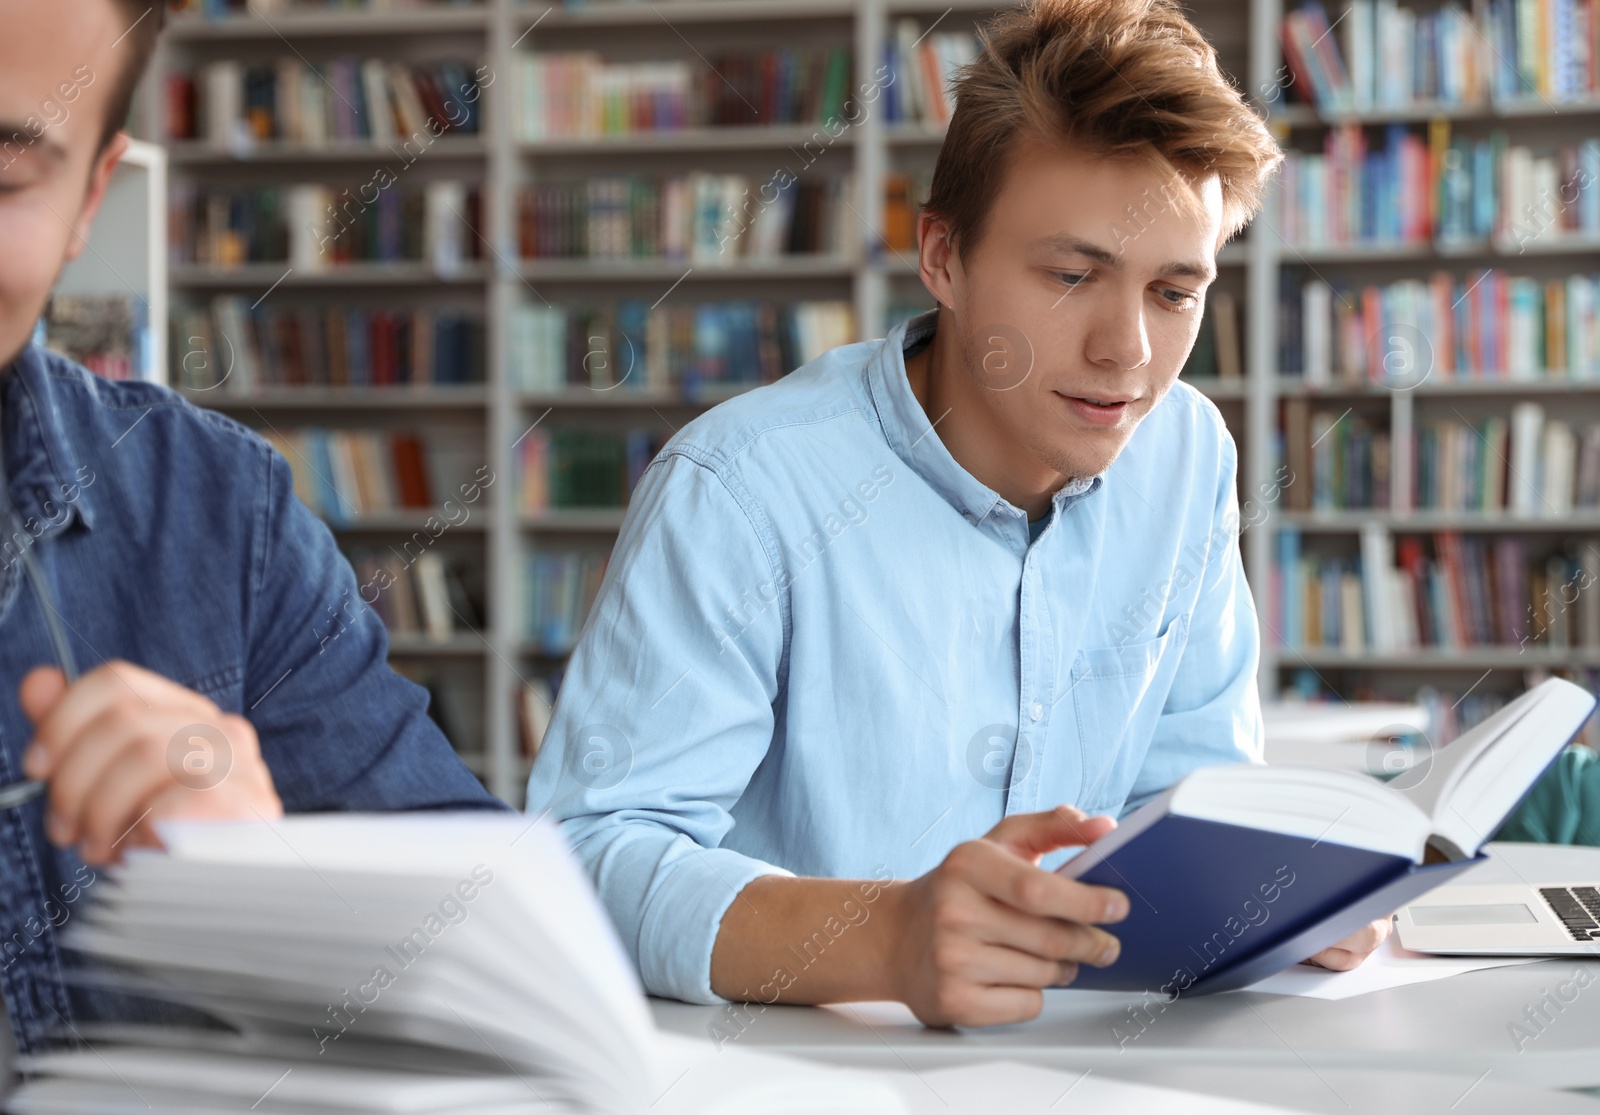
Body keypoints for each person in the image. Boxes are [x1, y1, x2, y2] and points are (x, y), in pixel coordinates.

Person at [528, 0, 1390, 1029]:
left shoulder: (1187, 453)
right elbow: (584, 856)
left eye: (1173, 292)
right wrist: (884, 938)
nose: (1127, 352)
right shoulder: (742, 487)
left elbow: (1189, 794)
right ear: (942, 258)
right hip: (789, 1079)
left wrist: (1277, 892)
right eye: (1072, 275)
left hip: (1091, 1066)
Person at [0, 0, 504, 1072]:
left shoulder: (218, 511)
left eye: (2, 182)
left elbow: (503, 971)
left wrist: (269, 874)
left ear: (93, 197)